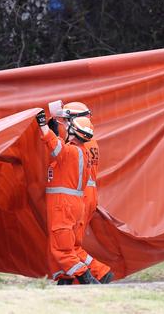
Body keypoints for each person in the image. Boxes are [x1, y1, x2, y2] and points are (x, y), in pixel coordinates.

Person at [36, 110, 100, 284]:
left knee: (61, 248)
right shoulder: (81, 152)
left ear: (74, 131)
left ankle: (87, 278)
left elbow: (55, 147)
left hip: (63, 205)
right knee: (67, 245)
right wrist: (56, 133)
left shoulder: (71, 152)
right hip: (73, 204)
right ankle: (66, 280)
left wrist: (43, 126)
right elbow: (60, 151)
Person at [52, 102, 113, 284]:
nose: (64, 123)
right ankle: (69, 276)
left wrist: (51, 132)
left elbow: (60, 152)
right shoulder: (89, 138)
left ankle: (98, 273)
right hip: (87, 193)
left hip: (79, 194)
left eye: (66, 120)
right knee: (70, 242)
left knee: (69, 243)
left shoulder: (77, 142)